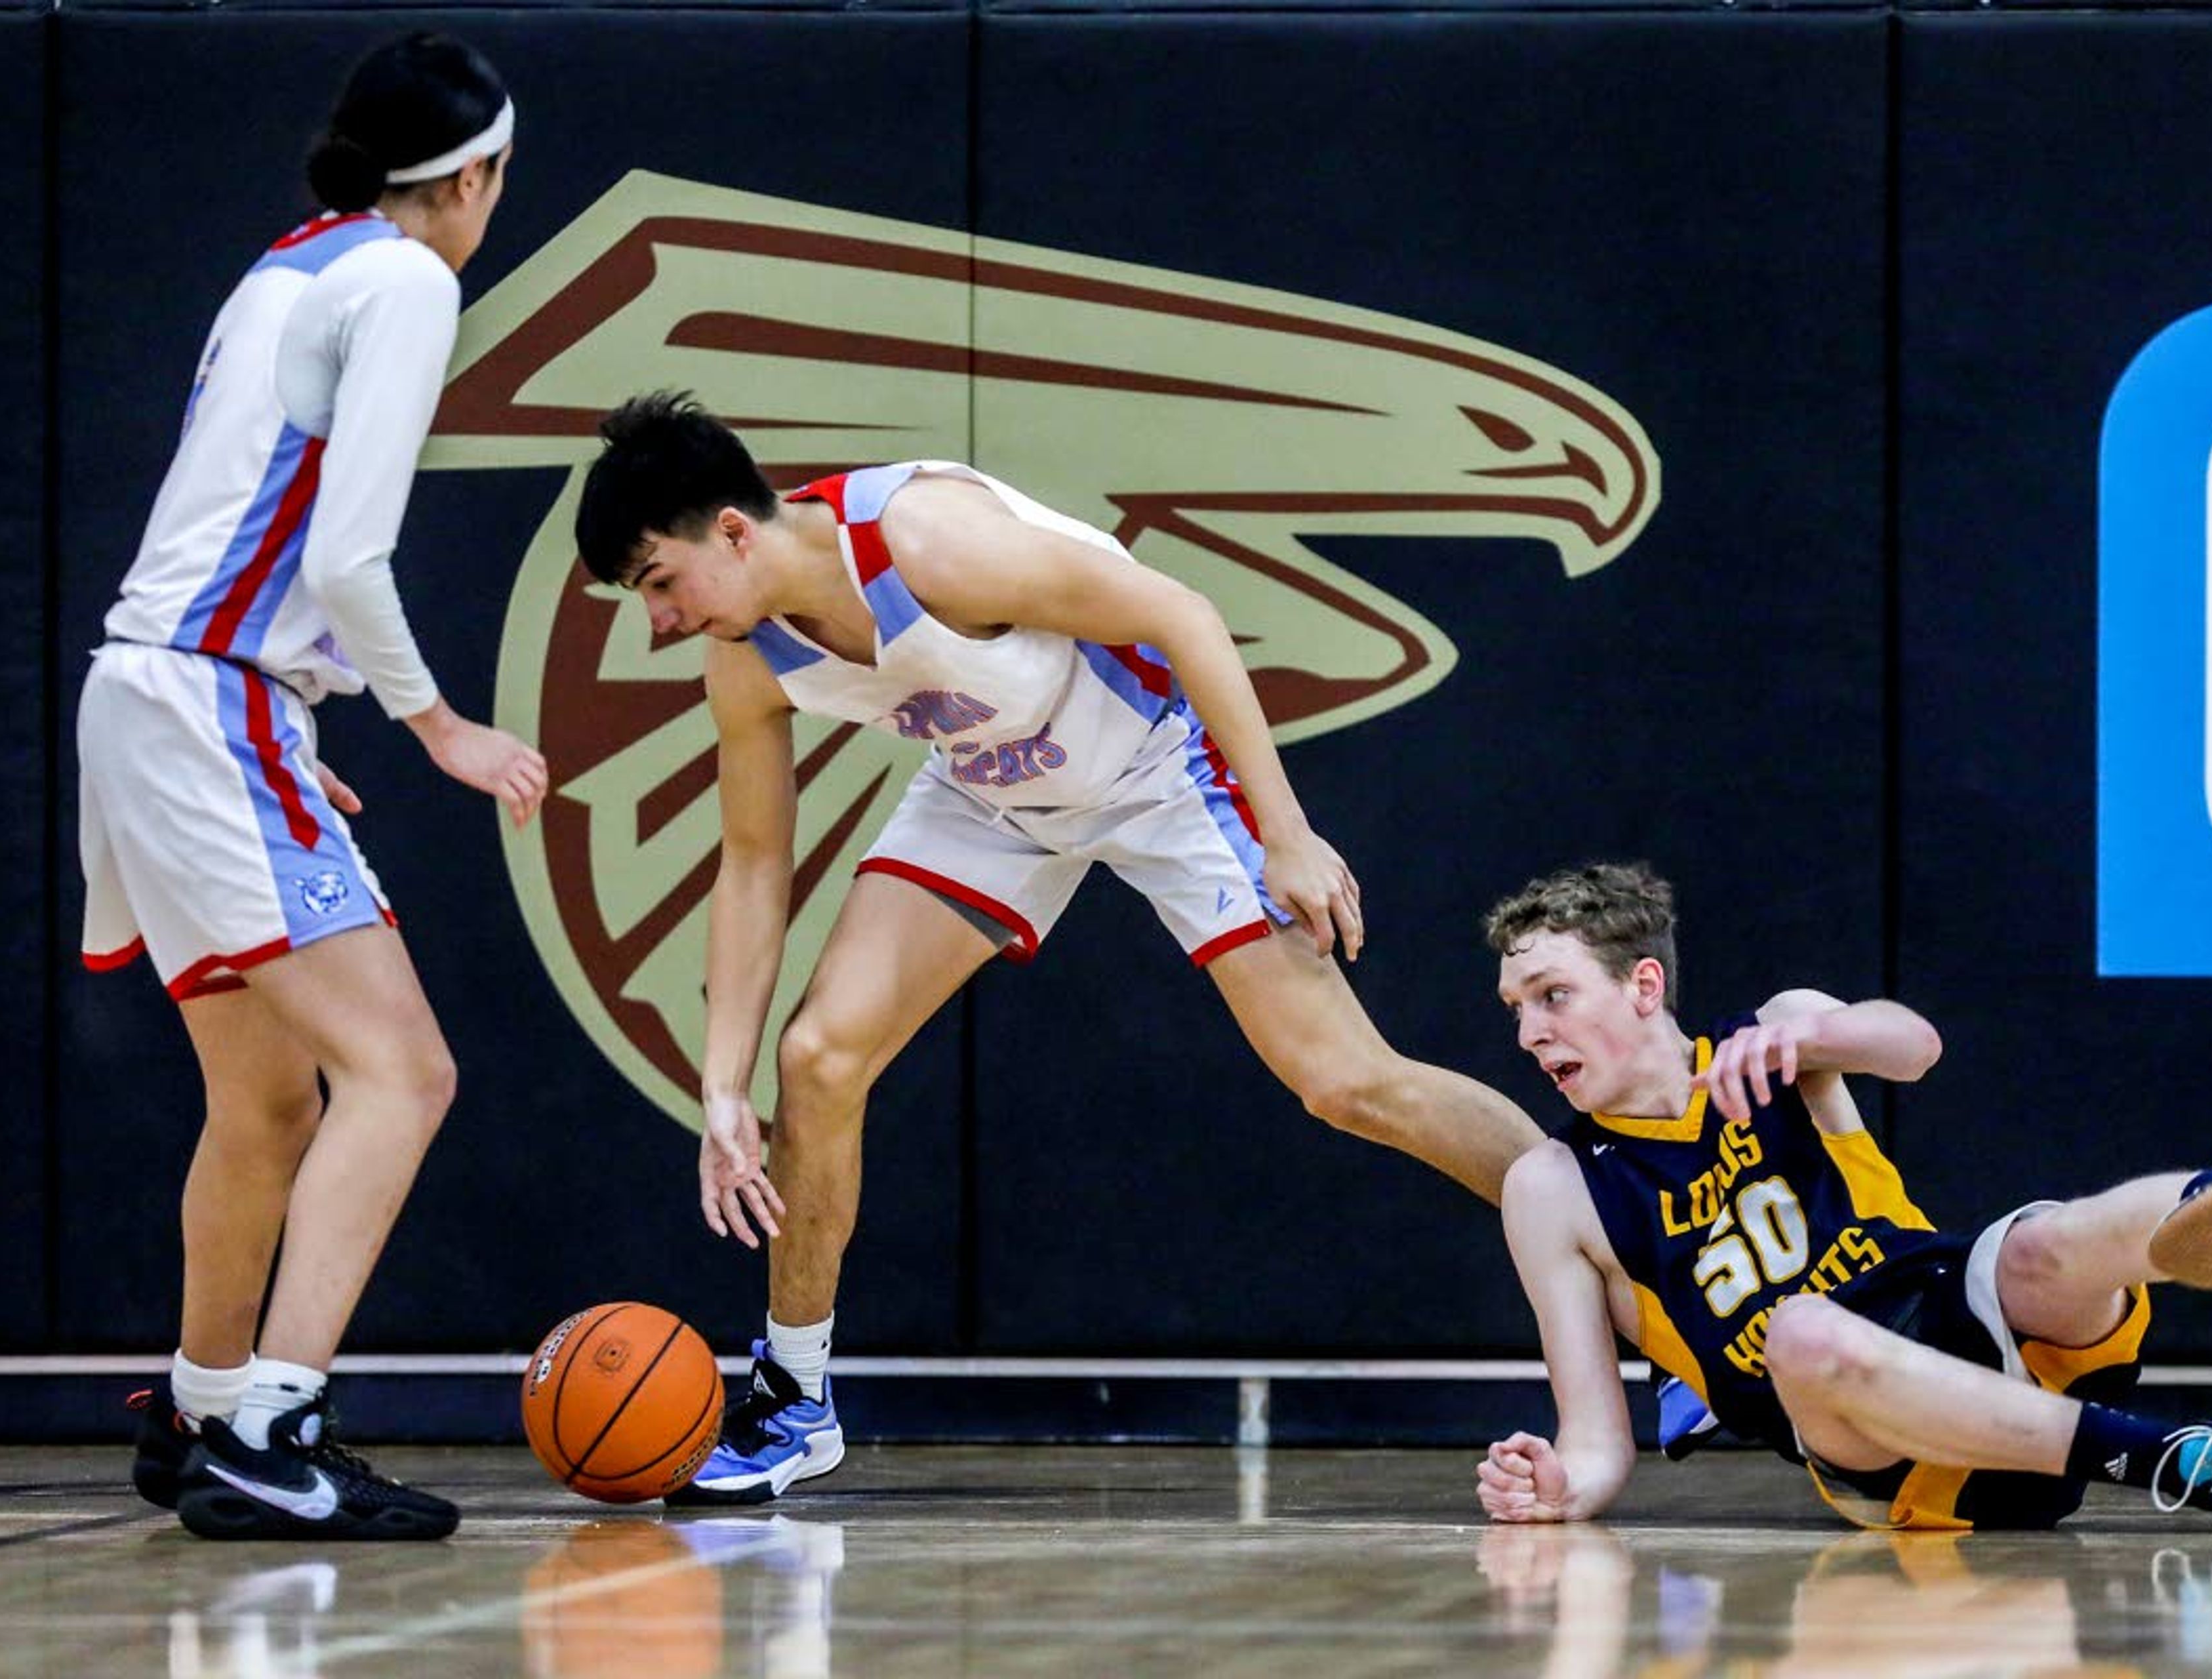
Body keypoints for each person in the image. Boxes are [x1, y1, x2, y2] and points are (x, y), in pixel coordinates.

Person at [571, 394, 1547, 1504]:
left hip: (1152, 767)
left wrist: (1287, 834)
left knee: (1348, 1086)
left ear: (733, 532)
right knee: (817, 1059)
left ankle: (1633, 1254)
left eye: (658, 582)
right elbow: (753, 864)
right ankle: (795, 1401)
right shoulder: (748, 657)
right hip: (988, 794)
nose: (657, 620)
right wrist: (720, 1086)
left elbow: (1182, 612)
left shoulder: (929, 541)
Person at [82, 33, 548, 1539]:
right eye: (501, 178)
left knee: (268, 1093)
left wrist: (280, 725)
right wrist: (436, 726)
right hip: (207, 704)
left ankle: (206, 1405)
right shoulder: (410, 278)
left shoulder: (286, 264)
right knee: (404, 1072)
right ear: (470, 176)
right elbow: (347, 555)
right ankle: (276, 1421)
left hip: (160, 693)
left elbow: (241, 526)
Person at [1471, 861, 2212, 1531]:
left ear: (1644, 986)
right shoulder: (1553, 1186)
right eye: (1516, 1009)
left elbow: (1914, 1047)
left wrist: (1814, 1040)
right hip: (1880, 1446)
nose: (1529, 1034)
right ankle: (2197, 1460)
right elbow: (1595, 1437)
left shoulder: (1777, 1035)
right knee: (1802, 1330)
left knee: (2037, 1238)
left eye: (1551, 996)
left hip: (1970, 1319)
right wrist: (1557, 1485)